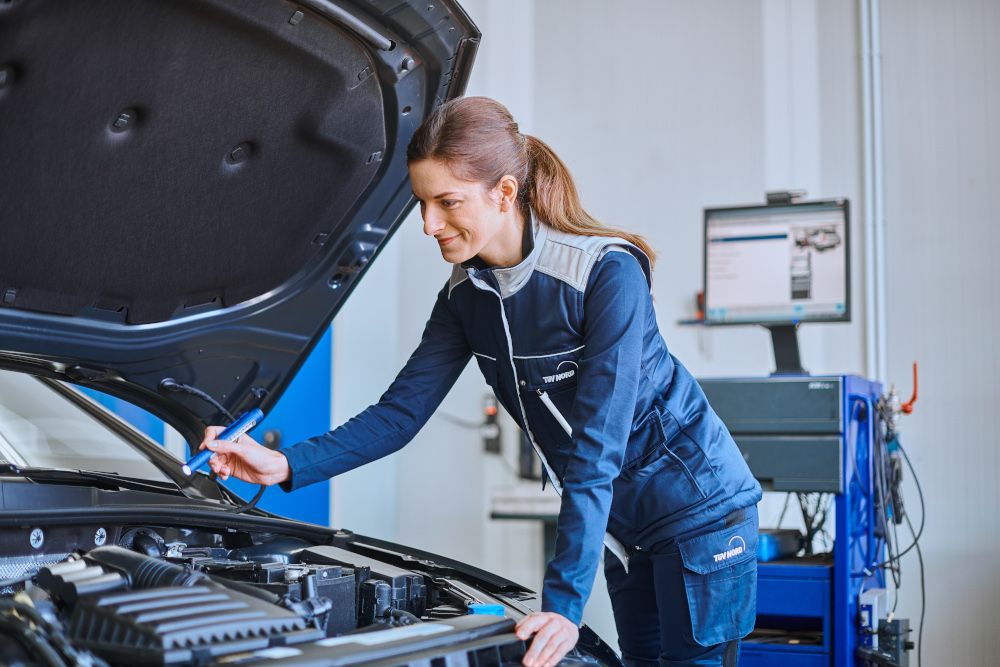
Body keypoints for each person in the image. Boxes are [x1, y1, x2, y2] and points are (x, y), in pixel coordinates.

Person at [199, 97, 762, 667]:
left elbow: (598, 445)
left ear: (505, 193)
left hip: (698, 511)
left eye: (447, 202)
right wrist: (284, 464)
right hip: (620, 525)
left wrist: (564, 607)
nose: (429, 225)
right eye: (422, 203)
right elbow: (398, 416)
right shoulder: (465, 297)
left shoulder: (605, 274)